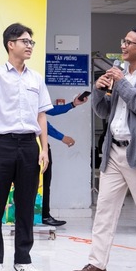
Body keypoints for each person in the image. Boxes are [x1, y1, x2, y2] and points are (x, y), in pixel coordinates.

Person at [70, 26, 136, 271]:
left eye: (129, 42)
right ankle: (97, 265)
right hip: (113, 151)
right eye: (123, 40)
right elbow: (104, 112)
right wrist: (99, 89)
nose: (123, 46)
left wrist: (122, 83)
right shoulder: (120, 73)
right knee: (104, 211)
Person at [0, 23, 51, 271]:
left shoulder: (36, 78)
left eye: (31, 42)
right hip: (2, 144)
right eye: (25, 41)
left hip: (29, 145)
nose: (30, 46)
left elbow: (41, 115)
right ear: (11, 44)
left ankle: (23, 260)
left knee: (26, 205)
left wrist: (44, 149)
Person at [42, 93, 89, 227]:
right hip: (31, 146)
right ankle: (39, 216)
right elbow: (42, 122)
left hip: (42, 147)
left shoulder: (36, 90)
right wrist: (61, 137)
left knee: (45, 183)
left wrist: (73, 104)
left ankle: (44, 215)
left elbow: (50, 110)